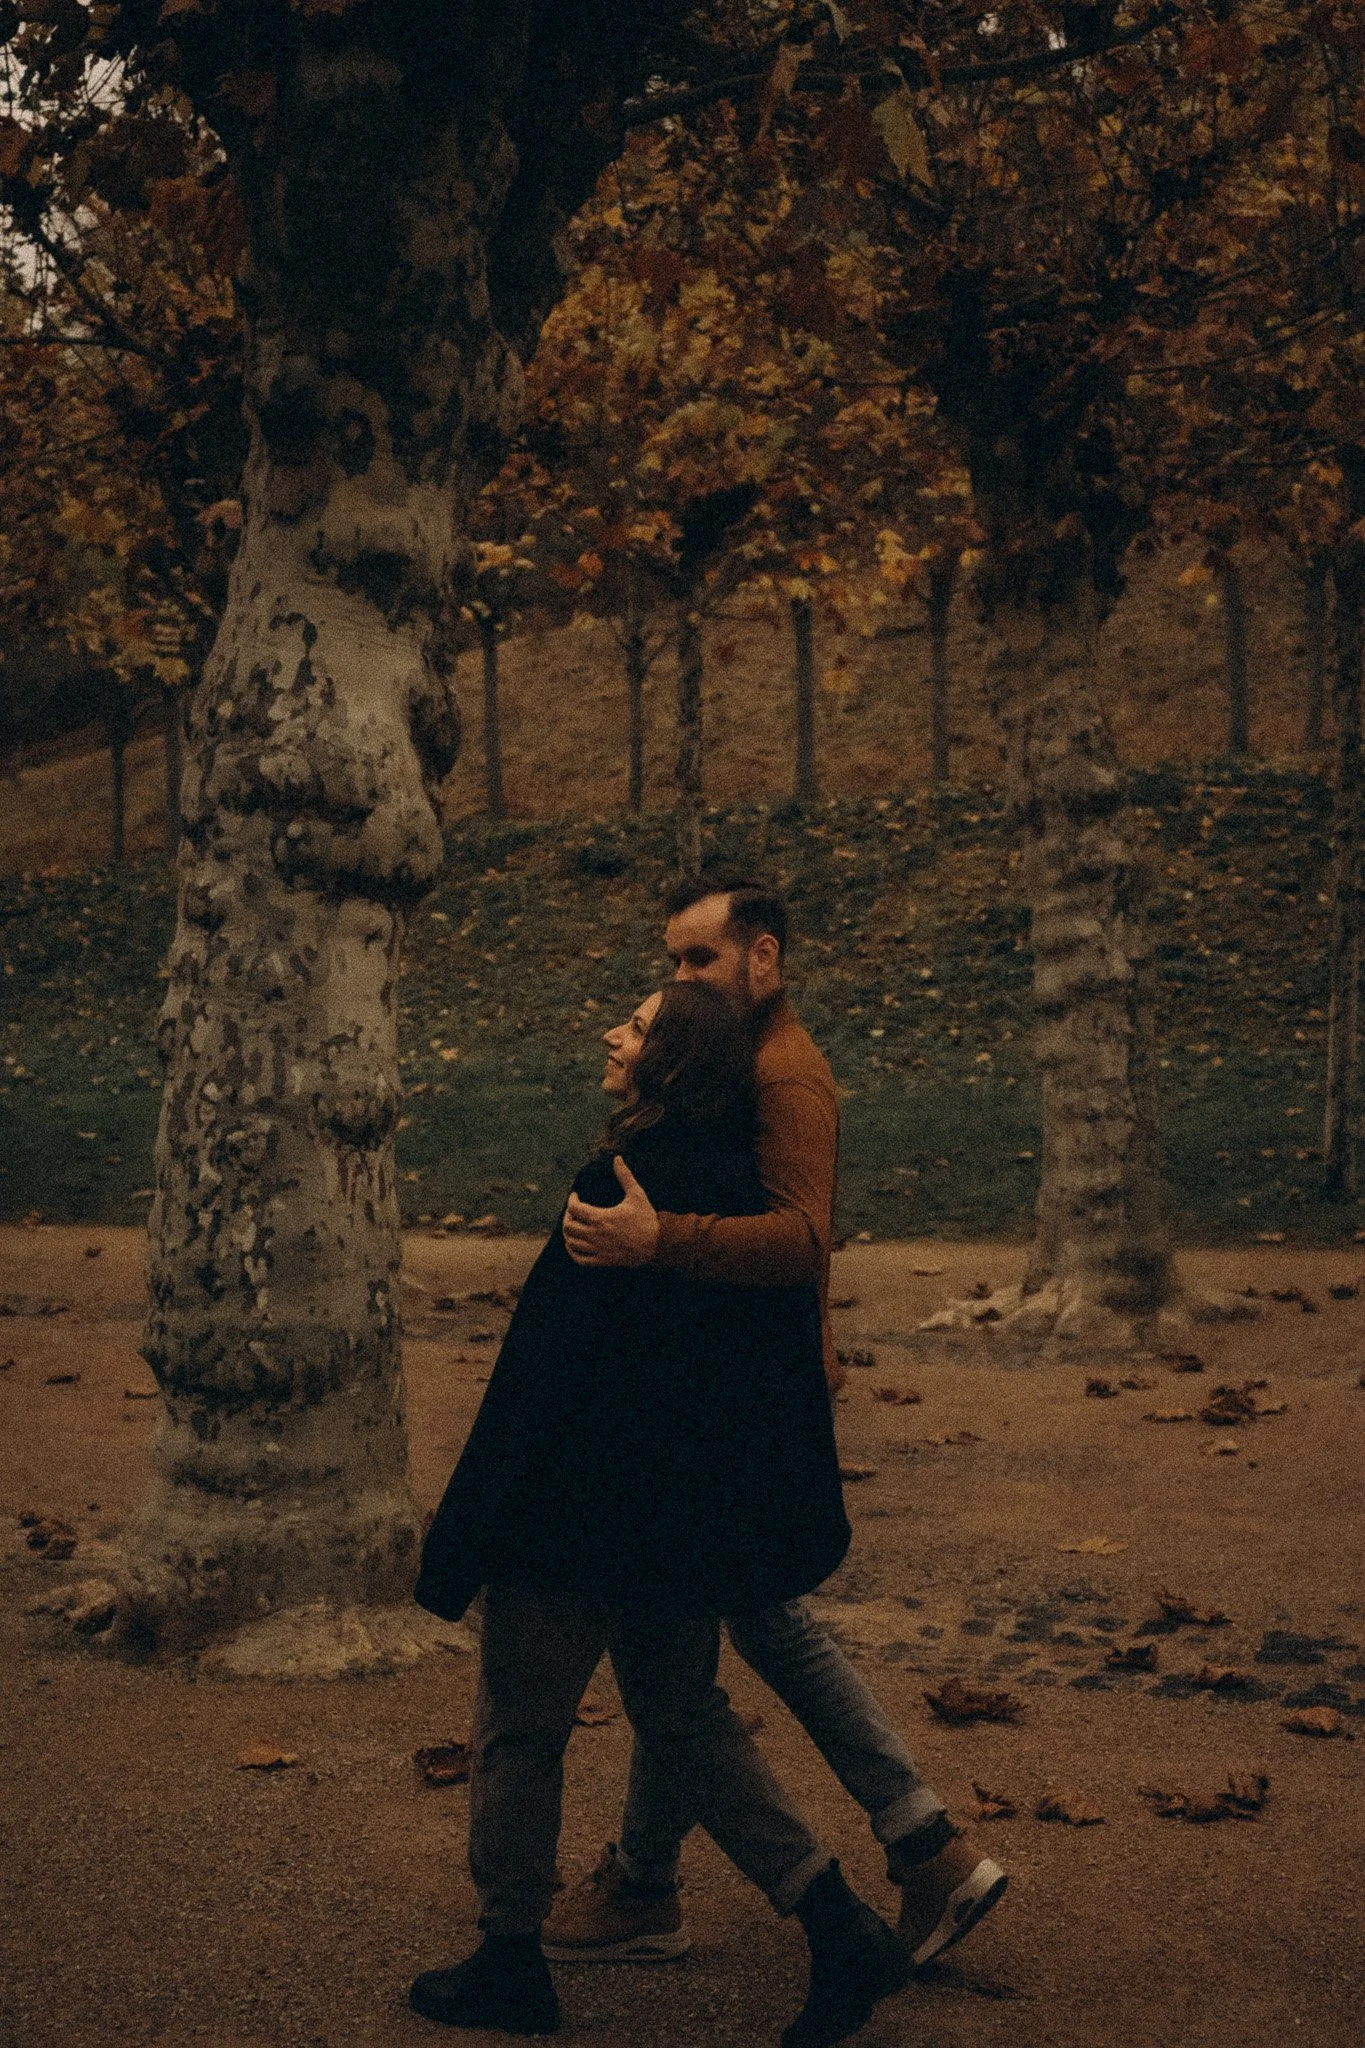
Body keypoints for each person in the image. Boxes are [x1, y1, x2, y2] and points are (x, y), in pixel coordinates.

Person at [410, 981, 908, 2046]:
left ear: (672, 1063)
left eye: (634, 1027)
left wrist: (466, 1533)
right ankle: (838, 1922)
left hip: (570, 1517)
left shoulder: (616, 1190)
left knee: (520, 1729)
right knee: (684, 1719)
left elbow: (537, 1377)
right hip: (676, 1525)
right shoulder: (739, 1204)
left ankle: (509, 1958)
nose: (612, 1033)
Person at [555, 870, 1007, 1972]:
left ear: (764, 957)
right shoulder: (729, 1062)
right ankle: (658, 1875)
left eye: (700, 958)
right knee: (696, 1631)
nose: (681, 978)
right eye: (672, 959)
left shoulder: (782, 1073)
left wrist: (660, 1240)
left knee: (732, 1628)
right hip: (729, 1392)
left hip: (747, 1405)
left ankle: (918, 1842)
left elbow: (804, 1240)